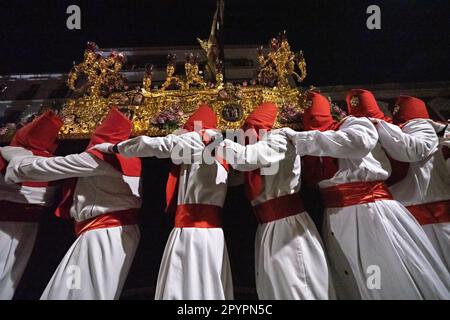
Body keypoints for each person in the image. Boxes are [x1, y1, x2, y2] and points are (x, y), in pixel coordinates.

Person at [281, 90, 450, 299]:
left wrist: (377, 122)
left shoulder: (357, 126)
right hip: (337, 217)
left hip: (368, 211)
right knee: (354, 274)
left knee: (380, 272)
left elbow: (358, 143)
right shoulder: (323, 142)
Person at [93, 104, 234, 300]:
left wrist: (115, 147)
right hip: (213, 232)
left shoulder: (196, 139)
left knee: (184, 282)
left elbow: (155, 145)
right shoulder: (222, 146)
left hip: (191, 230)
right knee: (208, 281)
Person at [1, 108, 142, 300]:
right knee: (77, 287)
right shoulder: (127, 159)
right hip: (107, 231)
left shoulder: (100, 158)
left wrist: (16, 155)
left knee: (83, 290)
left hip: (104, 232)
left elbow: (46, 167)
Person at [218, 102, 335, 300]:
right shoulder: (261, 145)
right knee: (274, 286)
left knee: (296, 282)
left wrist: (218, 141)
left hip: (288, 224)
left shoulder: (280, 138)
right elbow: (237, 177)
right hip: (268, 225)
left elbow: (247, 159)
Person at [372, 95, 450, 270]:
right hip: (414, 214)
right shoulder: (397, 136)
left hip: (432, 211)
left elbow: (411, 151)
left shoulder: (400, 136)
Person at [0, 111, 62, 299]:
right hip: (30, 227)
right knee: (12, 274)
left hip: (5, 222)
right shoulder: (54, 165)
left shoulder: (6, 154)